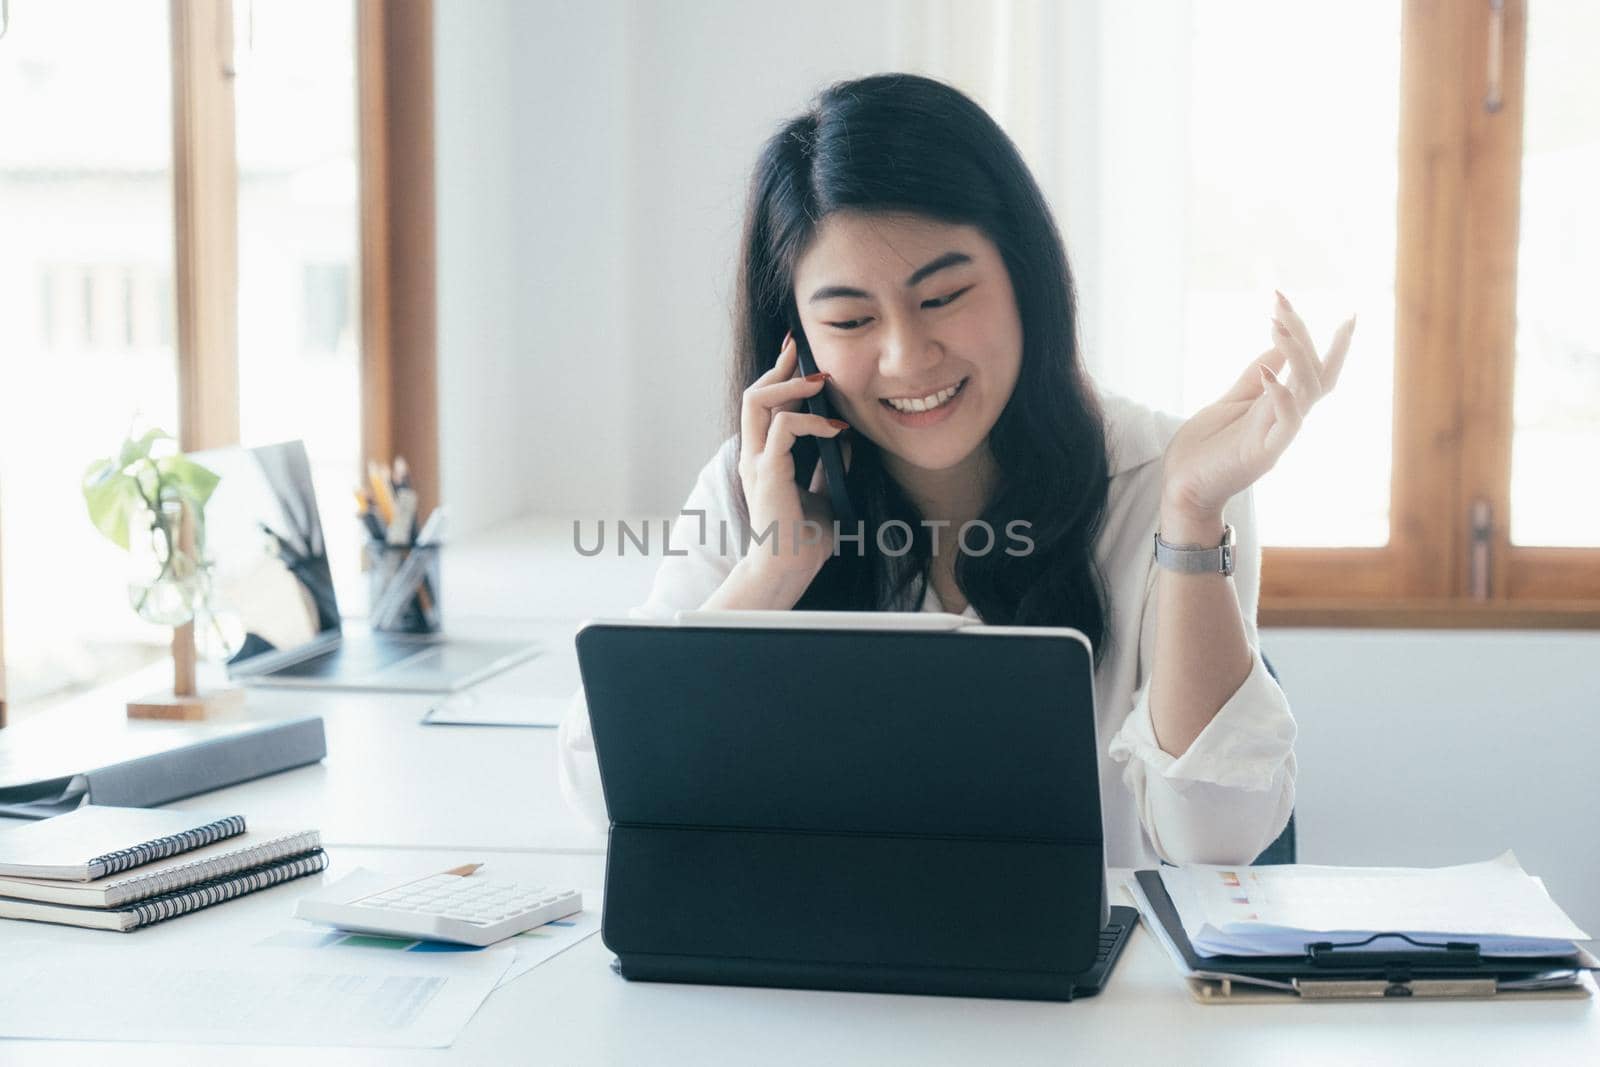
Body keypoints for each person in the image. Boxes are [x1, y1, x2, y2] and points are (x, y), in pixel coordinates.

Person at [558, 73, 1354, 867]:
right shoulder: (758, 482)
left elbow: (1214, 843)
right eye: (850, 320)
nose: (907, 357)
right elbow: (605, 791)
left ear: (1023, 278)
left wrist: (1190, 511)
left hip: (1091, 987)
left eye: (943, 296)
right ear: (795, 336)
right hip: (831, 976)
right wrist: (773, 570)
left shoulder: (1169, 478)